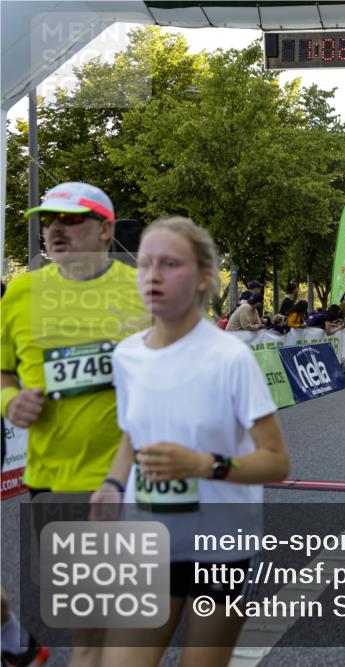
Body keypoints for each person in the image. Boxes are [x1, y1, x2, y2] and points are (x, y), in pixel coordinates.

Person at [91, 216, 290, 666]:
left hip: (221, 546)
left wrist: (203, 465)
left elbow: (277, 462)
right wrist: (113, 485)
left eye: (170, 264)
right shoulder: (127, 355)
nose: (153, 275)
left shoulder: (230, 358)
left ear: (203, 277)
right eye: (145, 264)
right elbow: (132, 434)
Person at [1, 181, 149, 665]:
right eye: (48, 221)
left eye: (70, 219)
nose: (54, 231)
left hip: (132, 480)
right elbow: (3, 371)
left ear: (106, 230)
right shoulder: (21, 292)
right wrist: (9, 401)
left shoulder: (143, 292)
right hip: (53, 480)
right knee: (89, 630)